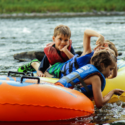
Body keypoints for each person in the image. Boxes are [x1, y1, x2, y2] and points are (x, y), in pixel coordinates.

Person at [55, 50, 125, 109]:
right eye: (110, 69)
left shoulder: (88, 68)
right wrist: (112, 92)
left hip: (58, 88)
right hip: (62, 96)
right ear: (102, 65)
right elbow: (99, 104)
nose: (110, 72)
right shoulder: (96, 78)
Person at [46, 29, 118, 78]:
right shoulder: (88, 54)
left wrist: (112, 54)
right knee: (46, 71)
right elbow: (86, 32)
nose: (100, 52)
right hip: (58, 68)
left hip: (67, 73)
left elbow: (113, 75)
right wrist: (99, 36)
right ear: (96, 48)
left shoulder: (101, 68)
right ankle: (36, 65)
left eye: (104, 53)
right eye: (100, 48)